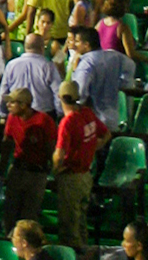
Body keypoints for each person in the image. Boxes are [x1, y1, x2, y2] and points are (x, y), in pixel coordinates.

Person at [53, 79, 105, 249]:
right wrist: (92, 148)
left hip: (71, 177)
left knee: (69, 224)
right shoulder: (87, 113)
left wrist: (56, 170)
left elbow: (59, 154)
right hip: (86, 175)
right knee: (81, 219)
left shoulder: (67, 122)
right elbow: (106, 134)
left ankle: (74, 254)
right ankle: (84, 251)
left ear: (60, 97)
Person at [0, 87, 56, 230]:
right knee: (10, 211)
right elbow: (7, 144)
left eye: (12, 102)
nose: (8, 105)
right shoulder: (12, 118)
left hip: (37, 173)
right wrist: (1, 172)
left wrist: (54, 172)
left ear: (24, 105)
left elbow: (51, 149)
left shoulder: (43, 121)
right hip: (18, 168)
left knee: (29, 214)